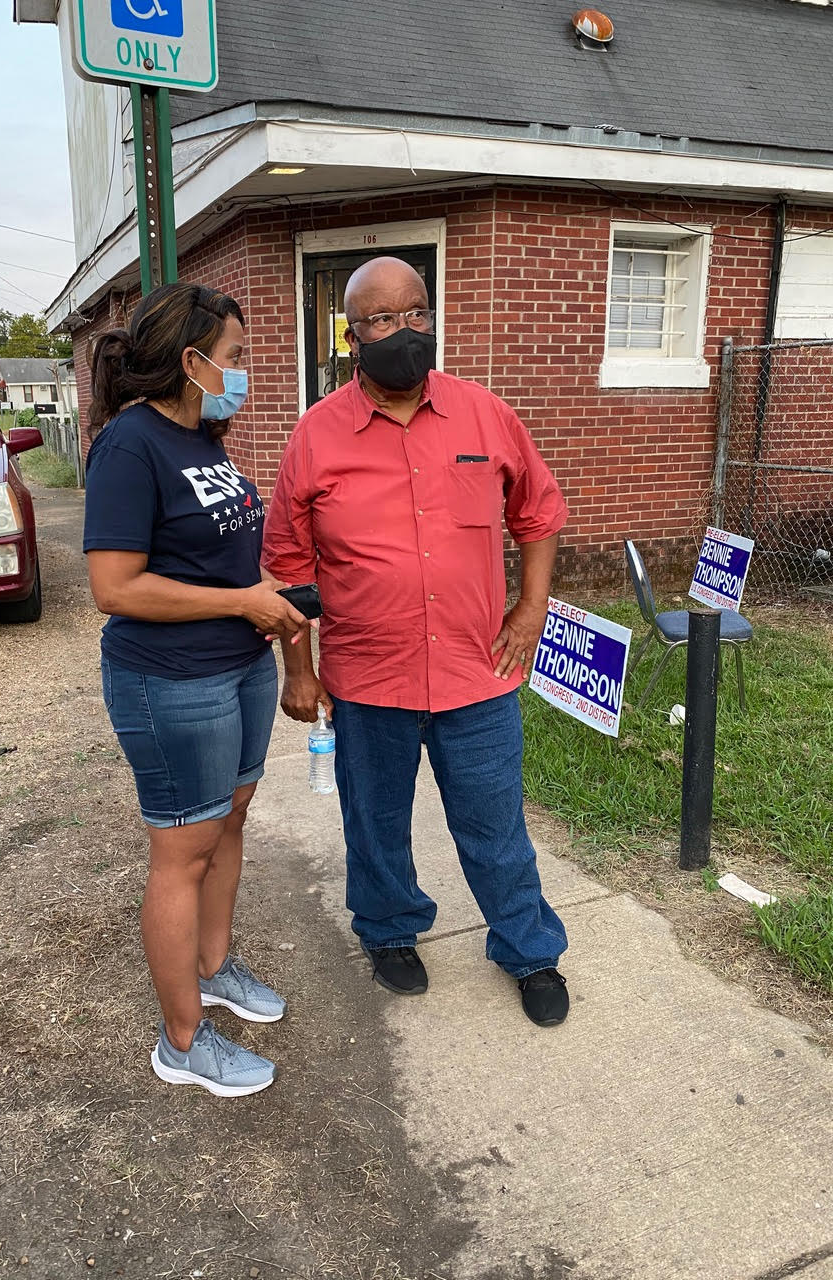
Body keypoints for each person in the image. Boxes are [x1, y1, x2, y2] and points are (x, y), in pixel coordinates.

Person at [262, 257, 570, 1027]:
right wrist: (297, 671)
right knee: (375, 826)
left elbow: (537, 514)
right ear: (352, 336)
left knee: (497, 827)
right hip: (370, 680)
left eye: (416, 313)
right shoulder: (316, 436)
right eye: (382, 321)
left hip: (478, 674)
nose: (404, 332)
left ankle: (528, 949)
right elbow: (290, 567)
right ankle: (390, 932)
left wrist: (531, 609)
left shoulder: (486, 415)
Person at [83, 282, 311, 1095]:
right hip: (170, 683)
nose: (244, 372)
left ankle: (214, 967)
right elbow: (115, 587)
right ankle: (182, 1040)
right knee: (182, 851)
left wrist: (274, 609)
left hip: (238, 667)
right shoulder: (130, 447)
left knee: (229, 820)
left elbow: (231, 558)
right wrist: (241, 602)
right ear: (192, 361)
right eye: (238, 358)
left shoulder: (205, 438)